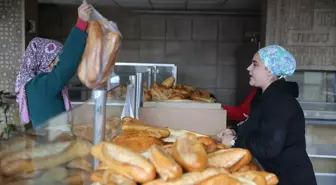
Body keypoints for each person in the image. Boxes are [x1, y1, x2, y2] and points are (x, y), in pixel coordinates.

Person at [218, 45, 317, 185]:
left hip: (289, 179)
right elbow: (255, 126)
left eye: (255, 65)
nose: (249, 69)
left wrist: (234, 142)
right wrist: (234, 130)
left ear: (270, 71)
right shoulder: (264, 98)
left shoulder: (280, 102)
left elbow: (268, 147)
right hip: (273, 174)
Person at [14, 2, 93, 128]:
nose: (58, 65)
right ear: (45, 61)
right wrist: (81, 23)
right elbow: (67, 65)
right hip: (54, 145)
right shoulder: (39, 86)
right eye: (57, 60)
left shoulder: (32, 86)